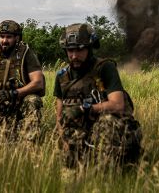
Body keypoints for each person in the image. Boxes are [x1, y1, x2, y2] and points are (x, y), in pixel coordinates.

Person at [54, 23, 142, 167]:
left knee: (107, 122)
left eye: (79, 50)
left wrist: (84, 108)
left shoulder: (105, 68)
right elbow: (59, 116)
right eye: (70, 50)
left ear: (89, 48)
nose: (74, 55)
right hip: (80, 133)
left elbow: (118, 105)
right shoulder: (62, 76)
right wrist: (64, 141)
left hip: (111, 132)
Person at [0, 20, 45, 141]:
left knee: (32, 100)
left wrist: (14, 93)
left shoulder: (26, 54)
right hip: (2, 106)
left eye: (8, 37)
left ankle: (30, 142)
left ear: (17, 37)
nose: (4, 41)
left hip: (21, 103)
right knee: (3, 145)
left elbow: (38, 83)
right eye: (1, 36)